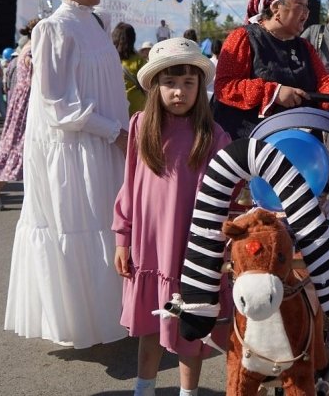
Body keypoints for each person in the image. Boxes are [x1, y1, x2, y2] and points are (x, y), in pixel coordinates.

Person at [5, 0, 129, 349]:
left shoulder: (99, 22)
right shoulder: (52, 29)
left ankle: (114, 314)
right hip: (75, 151)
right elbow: (58, 106)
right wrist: (115, 131)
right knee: (79, 224)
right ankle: (80, 322)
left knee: (107, 227)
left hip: (104, 144)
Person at [113, 38, 231, 396]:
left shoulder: (214, 137)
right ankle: (143, 388)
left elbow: (227, 197)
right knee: (150, 326)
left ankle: (188, 392)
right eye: (169, 83)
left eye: (187, 84)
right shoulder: (140, 125)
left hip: (192, 251)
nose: (178, 92)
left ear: (200, 87)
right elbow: (129, 186)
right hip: (149, 248)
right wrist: (123, 237)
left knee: (189, 329)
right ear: (156, 87)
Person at [213, 0, 329, 139]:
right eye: (300, 4)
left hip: (301, 148)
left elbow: (323, 83)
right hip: (252, 146)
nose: (307, 12)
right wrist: (274, 93)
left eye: (307, 7)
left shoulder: (304, 47)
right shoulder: (243, 37)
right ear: (275, 8)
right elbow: (225, 86)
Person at [0, 19, 39, 209]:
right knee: (23, 147)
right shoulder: (32, 51)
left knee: (22, 147)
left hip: (22, 102)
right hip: (29, 103)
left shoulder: (26, 48)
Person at [113, 22, 147, 115]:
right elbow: (147, 85)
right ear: (133, 39)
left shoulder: (108, 59)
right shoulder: (139, 60)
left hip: (113, 106)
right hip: (136, 107)